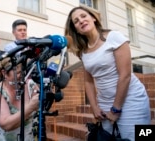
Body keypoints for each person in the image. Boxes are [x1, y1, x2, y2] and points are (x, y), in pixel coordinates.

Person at [64, 6, 150, 141]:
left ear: (93, 18)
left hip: (131, 100)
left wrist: (116, 109)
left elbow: (125, 75)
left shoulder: (114, 37)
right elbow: (88, 81)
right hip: (104, 104)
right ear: (75, 29)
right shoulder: (83, 51)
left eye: (83, 16)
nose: (81, 21)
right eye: (76, 21)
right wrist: (94, 107)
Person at [0, 57, 39, 141]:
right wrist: (30, 107)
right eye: (18, 73)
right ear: (4, 73)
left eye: (23, 72)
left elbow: (42, 103)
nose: (22, 76)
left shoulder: (30, 85)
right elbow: (6, 124)